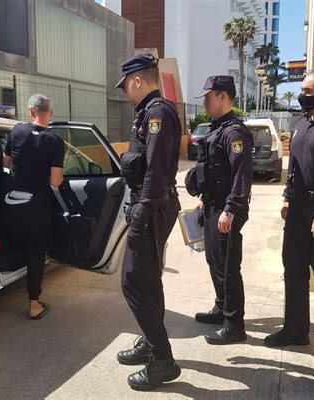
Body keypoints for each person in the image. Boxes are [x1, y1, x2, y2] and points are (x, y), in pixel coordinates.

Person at [115, 53, 182, 391]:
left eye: (126, 84)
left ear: (137, 80)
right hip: (152, 205)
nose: (125, 91)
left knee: (133, 282)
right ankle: (150, 340)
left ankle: (163, 360)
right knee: (149, 279)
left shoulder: (156, 114)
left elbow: (155, 171)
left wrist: (141, 213)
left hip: (152, 208)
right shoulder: (149, 113)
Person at [265, 68, 314, 347]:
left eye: (308, 91)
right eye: (303, 90)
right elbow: (293, 163)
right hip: (297, 208)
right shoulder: (301, 122)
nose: (302, 95)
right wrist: (286, 197)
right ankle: (295, 330)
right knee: (293, 269)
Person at [189, 76, 253, 345]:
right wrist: (205, 197)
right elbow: (215, 171)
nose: (204, 102)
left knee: (227, 266)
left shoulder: (233, 132)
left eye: (207, 97)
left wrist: (230, 209)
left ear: (223, 96)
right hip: (214, 204)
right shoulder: (218, 128)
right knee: (214, 261)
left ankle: (234, 324)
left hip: (227, 209)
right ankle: (221, 308)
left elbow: (241, 174)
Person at [3, 94, 65, 320]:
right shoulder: (55, 142)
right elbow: (56, 181)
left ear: (30, 111)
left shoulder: (16, 131)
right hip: (36, 208)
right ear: (51, 113)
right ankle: (34, 304)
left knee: (13, 241)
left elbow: (6, 162)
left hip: (11, 204)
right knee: (35, 253)